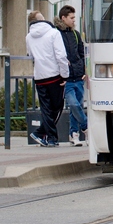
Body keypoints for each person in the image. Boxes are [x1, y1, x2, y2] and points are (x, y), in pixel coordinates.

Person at [25, 11, 69, 147]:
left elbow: (30, 54)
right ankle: (46, 135)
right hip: (54, 75)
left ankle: (47, 136)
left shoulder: (28, 37)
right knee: (57, 107)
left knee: (46, 108)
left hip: (39, 76)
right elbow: (61, 56)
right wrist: (65, 74)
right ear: (42, 19)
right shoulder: (54, 33)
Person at [56, 5, 87, 147]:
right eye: (72, 18)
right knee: (73, 104)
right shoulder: (57, 34)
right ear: (63, 18)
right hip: (66, 77)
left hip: (78, 75)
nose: (74, 20)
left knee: (78, 106)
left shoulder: (76, 34)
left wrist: (84, 70)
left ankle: (74, 134)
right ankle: (86, 126)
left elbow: (81, 53)